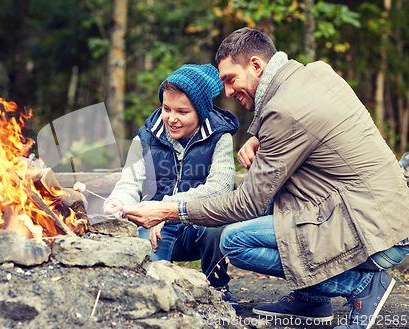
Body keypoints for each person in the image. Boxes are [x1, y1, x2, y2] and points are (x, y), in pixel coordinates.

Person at [122, 28, 409, 329]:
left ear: (256, 66)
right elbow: (312, 129)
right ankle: (311, 300)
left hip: (375, 237)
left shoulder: (285, 111)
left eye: (230, 79)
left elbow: (247, 203)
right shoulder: (315, 74)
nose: (228, 92)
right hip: (387, 218)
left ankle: (359, 286)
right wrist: (260, 136)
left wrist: (169, 210)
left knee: (235, 240)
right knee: (277, 206)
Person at [103, 64, 240, 302]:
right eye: (166, 108)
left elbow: (221, 188)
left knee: (217, 222)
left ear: (201, 111)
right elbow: (130, 183)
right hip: (157, 229)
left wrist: (166, 208)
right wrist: (118, 201)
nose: (172, 119)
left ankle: (217, 287)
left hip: (197, 229)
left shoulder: (220, 138)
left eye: (182, 112)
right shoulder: (146, 137)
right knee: (153, 287)